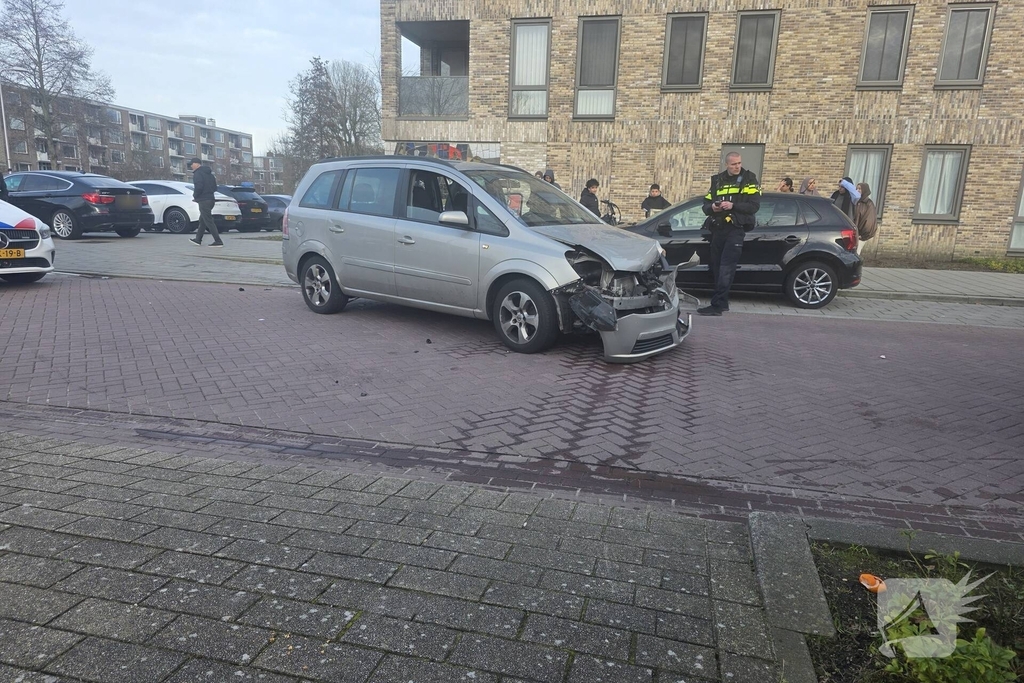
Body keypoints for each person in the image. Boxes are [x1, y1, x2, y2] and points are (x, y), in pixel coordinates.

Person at [697, 152, 761, 316]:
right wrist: (713, 208)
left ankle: (717, 306)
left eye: (739, 163)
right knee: (717, 266)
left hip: (735, 228)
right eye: (733, 164)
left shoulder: (749, 179)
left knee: (726, 267)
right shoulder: (718, 180)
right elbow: (705, 205)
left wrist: (732, 206)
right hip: (718, 228)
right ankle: (722, 302)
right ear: (727, 164)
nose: (737, 166)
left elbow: (754, 206)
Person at [188, 157, 222, 247]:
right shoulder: (210, 175)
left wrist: (195, 196)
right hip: (211, 199)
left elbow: (199, 186)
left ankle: (218, 241)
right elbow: (215, 187)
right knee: (203, 220)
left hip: (203, 200)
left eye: (192, 164)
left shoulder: (198, 174)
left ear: (197, 164)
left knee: (208, 220)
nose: (191, 166)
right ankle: (198, 239)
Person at [852, 182, 877, 255]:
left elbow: (869, 221)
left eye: (860, 189)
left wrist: (863, 235)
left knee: (856, 253)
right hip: (855, 233)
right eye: (857, 189)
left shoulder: (868, 204)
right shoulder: (857, 202)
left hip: (861, 235)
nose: (858, 190)